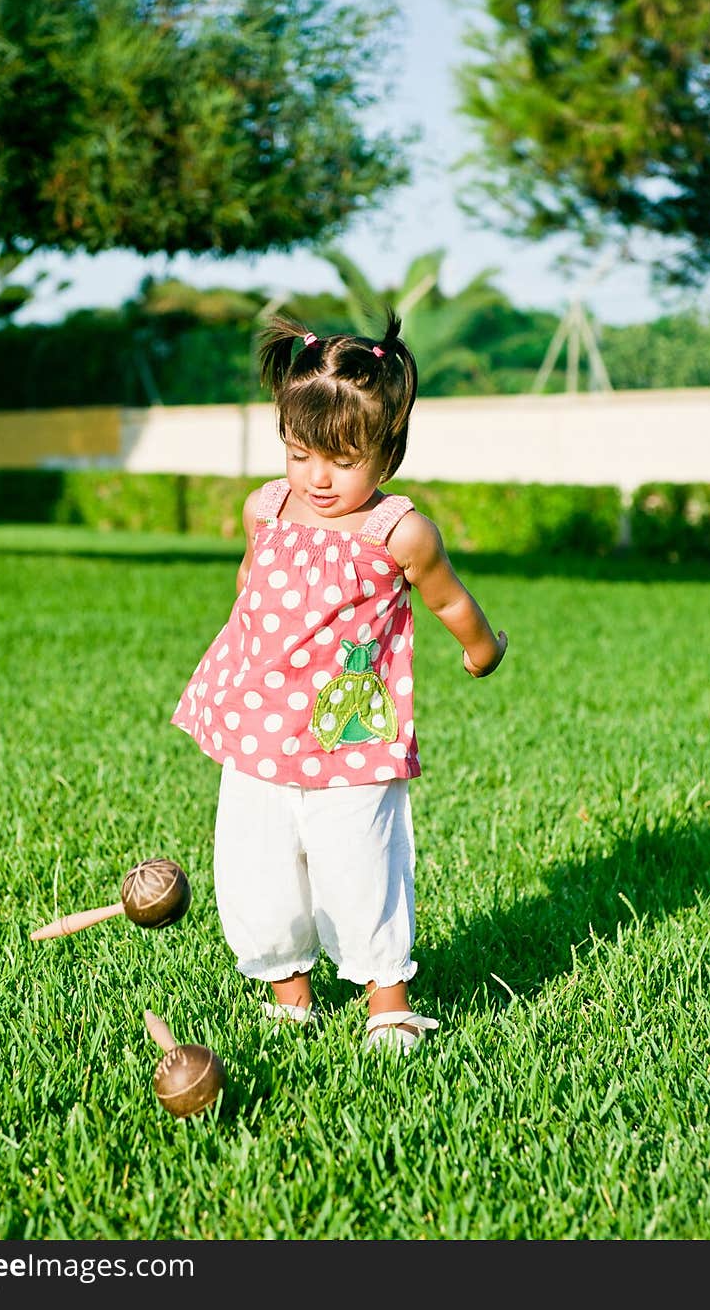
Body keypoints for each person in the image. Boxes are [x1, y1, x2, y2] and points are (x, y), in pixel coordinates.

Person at [171, 310, 507, 1052]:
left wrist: (485, 648)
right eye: (299, 455)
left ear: (387, 455)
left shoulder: (397, 530)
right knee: (258, 867)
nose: (317, 478)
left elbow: (448, 598)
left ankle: (387, 1002)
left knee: (361, 864)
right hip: (258, 722)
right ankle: (290, 996)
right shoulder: (267, 507)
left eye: (342, 459)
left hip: (347, 731)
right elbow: (250, 586)